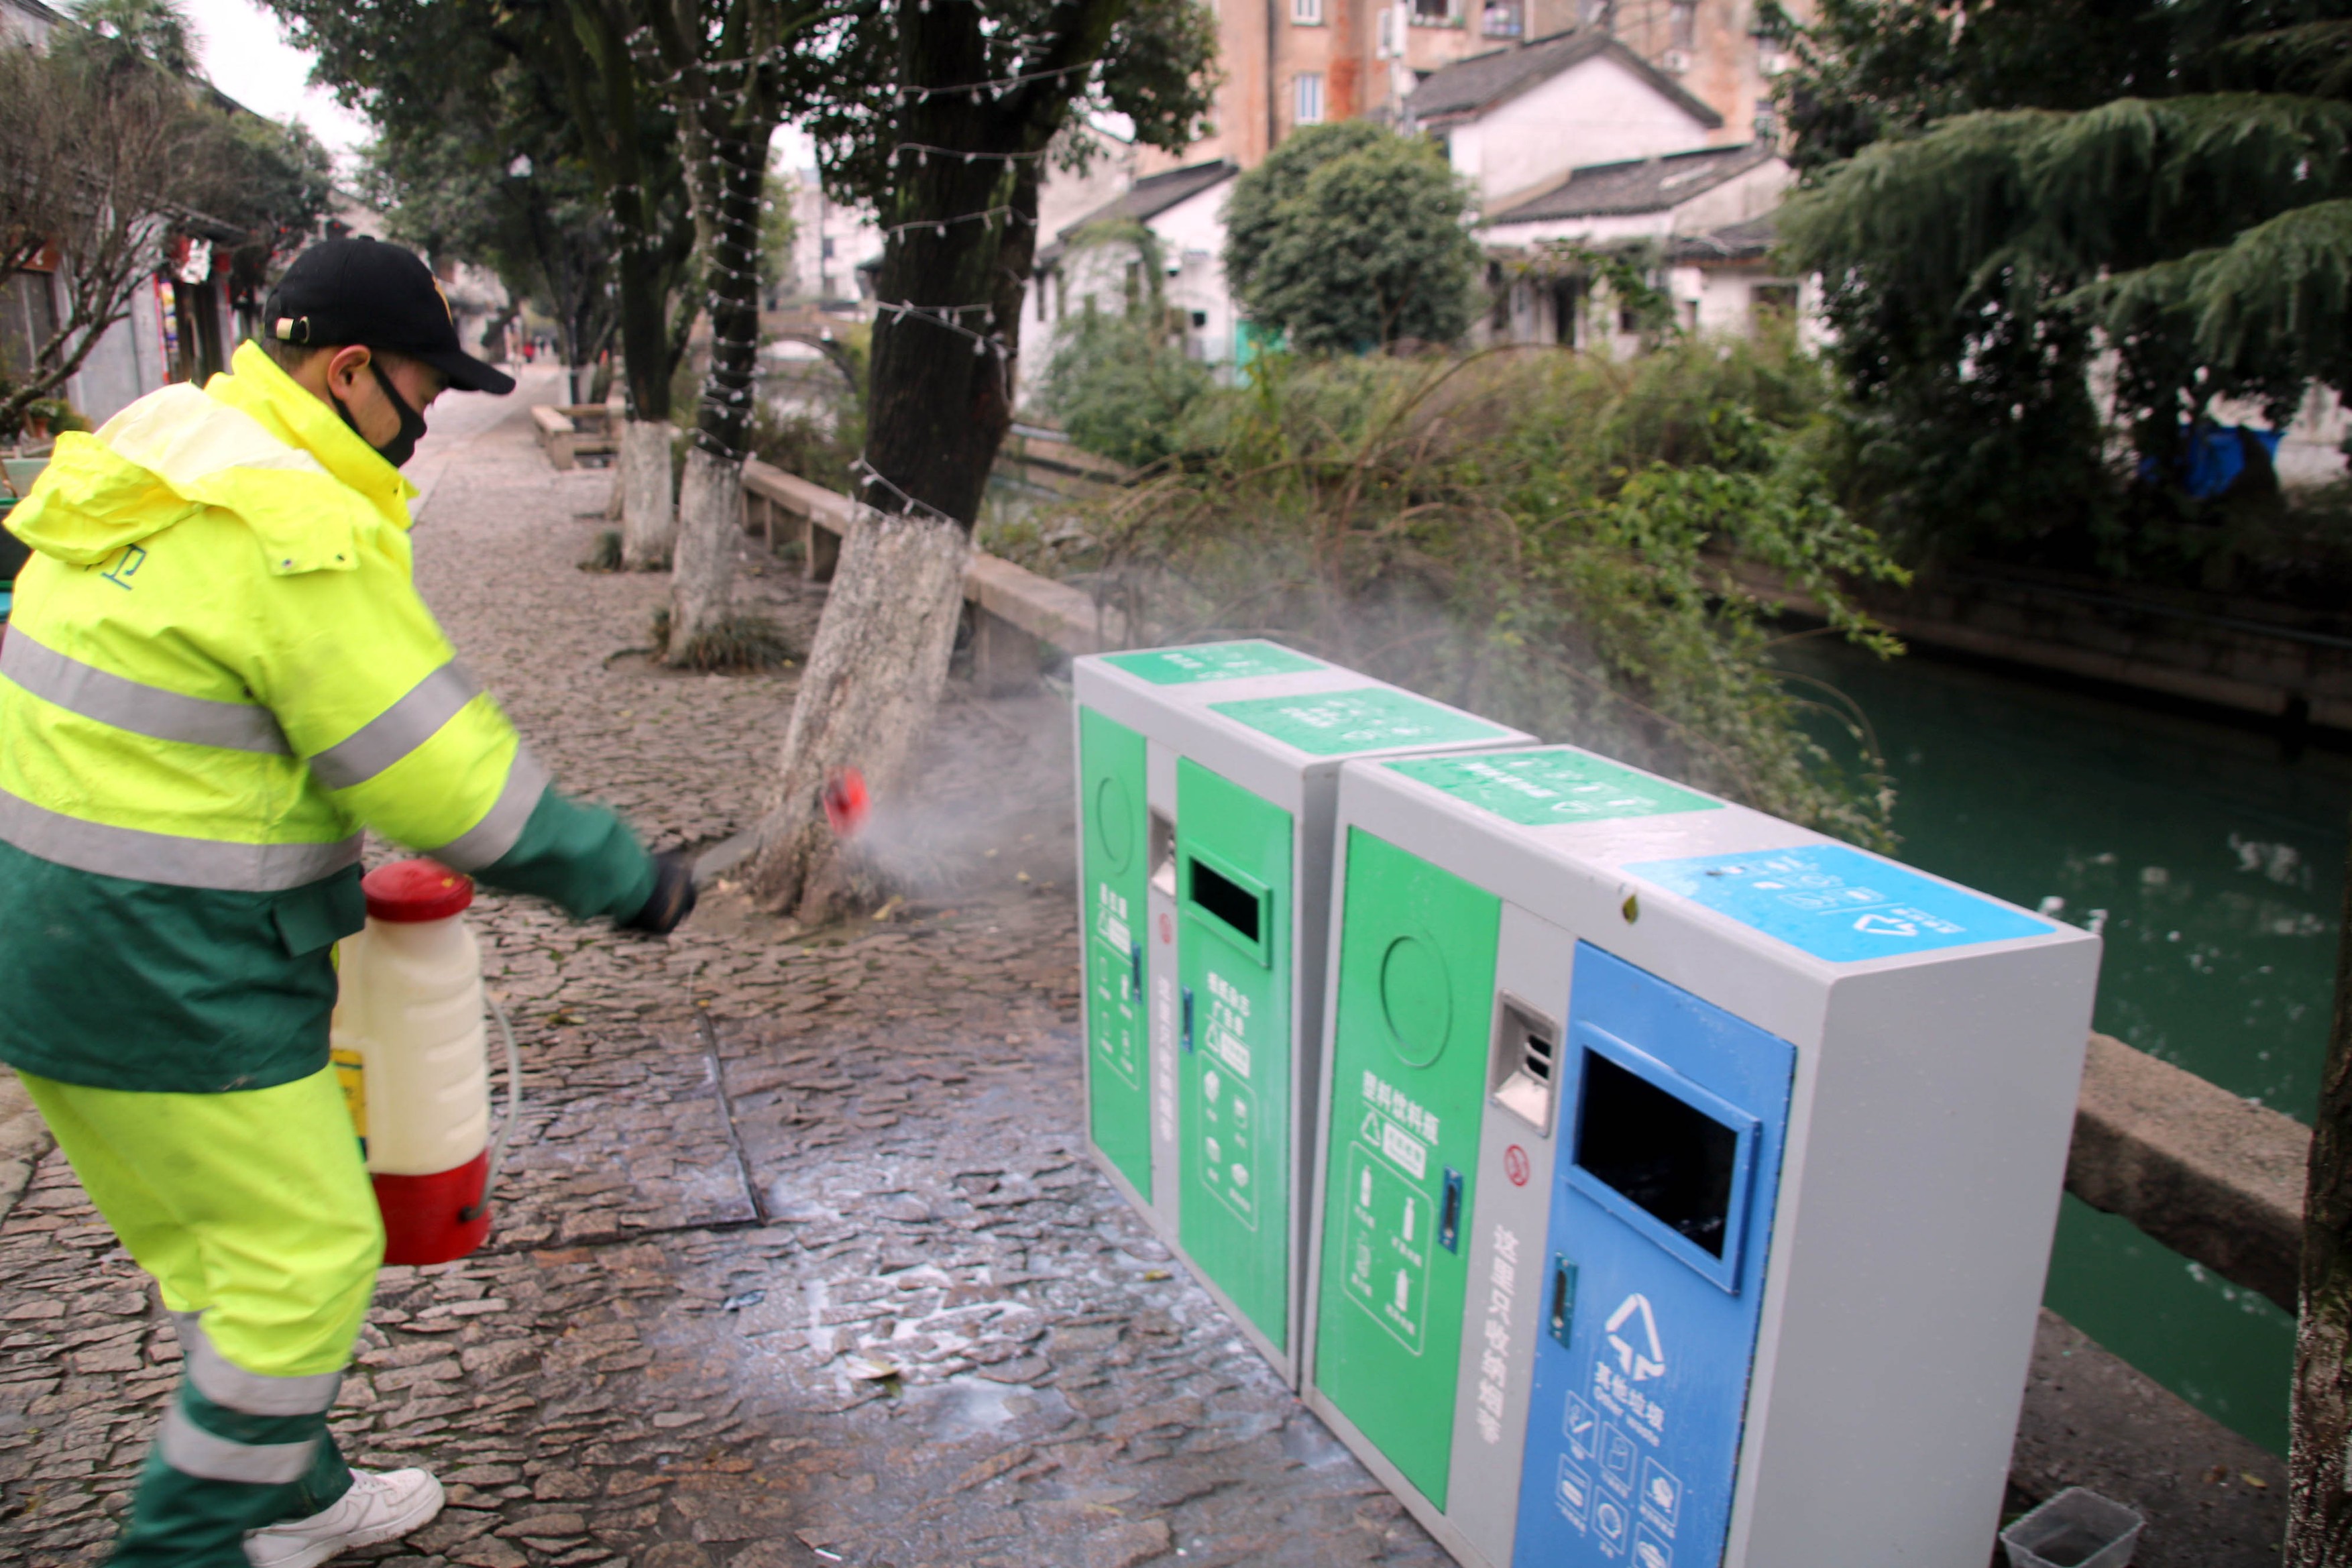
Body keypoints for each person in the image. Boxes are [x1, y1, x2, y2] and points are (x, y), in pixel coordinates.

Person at [0, 236, 697, 1567]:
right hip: (172, 963)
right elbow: (447, 781)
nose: (421, 428)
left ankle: (293, 1489)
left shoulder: (162, 444)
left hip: (39, 944)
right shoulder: (295, 521)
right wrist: (621, 874)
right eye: (419, 396)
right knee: (305, 1260)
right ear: (348, 371)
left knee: (227, 1255)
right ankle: (176, 1550)